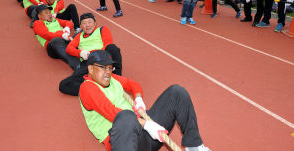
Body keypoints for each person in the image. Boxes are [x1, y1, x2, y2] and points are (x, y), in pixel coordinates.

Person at [78, 49, 211, 151]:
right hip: (125, 142)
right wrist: (146, 124)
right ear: (90, 69)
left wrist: (138, 98)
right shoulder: (87, 88)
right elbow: (113, 113)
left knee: (176, 92)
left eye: (109, 67)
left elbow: (133, 84)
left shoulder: (112, 78)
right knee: (124, 116)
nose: (107, 72)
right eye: (102, 67)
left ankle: (194, 146)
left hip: (147, 135)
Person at [59, 13, 122, 95]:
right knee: (64, 85)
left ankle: (117, 78)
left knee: (112, 47)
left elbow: (108, 43)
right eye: (84, 23)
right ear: (81, 26)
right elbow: (69, 49)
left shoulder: (102, 29)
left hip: (104, 59)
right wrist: (81, 53)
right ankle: (96, 90)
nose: (87, 25)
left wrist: (93, 54)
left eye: (90, 22)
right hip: (89, 65)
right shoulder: (79, 36)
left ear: (95, 23)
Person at [33, 4, 82, 69]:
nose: (49, 14)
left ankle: (90, 56)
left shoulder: (55, 20)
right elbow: (47, 35)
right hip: (52, 46)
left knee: (79, 34)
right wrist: (61, 35)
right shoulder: (38, 23)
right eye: (46, 13)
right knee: (57, 40)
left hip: (64, 40)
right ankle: (78, 66)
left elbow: (69, 23)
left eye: (49, 12)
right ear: (39, 16)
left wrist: (67, 28)